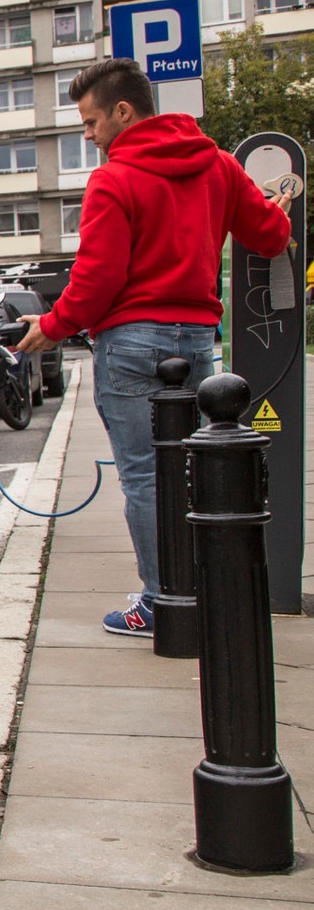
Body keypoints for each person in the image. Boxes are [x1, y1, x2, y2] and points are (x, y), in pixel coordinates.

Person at [17, 58, 292, 637]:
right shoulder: (216, 164)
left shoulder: (114, 180)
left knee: (145, 477)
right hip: (196, 344)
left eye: (91, 123)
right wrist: (277, 210)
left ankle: (164, 602)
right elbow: (268, 235)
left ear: (124, 111)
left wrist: (54, 324)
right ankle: (205, 593)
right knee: (192, 472)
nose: (88, 135)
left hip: (132, 344)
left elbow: (97, 282)